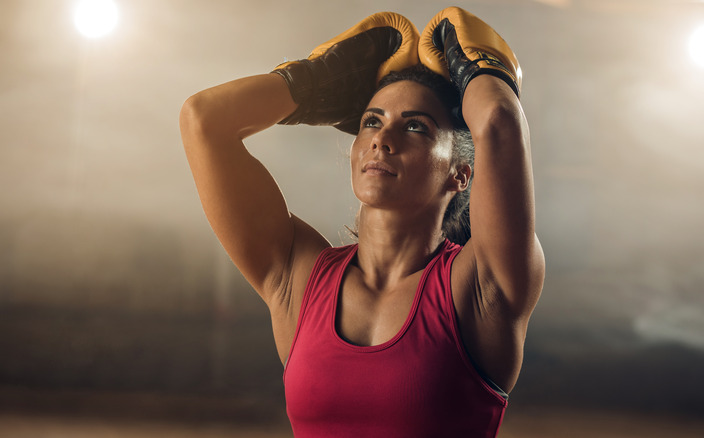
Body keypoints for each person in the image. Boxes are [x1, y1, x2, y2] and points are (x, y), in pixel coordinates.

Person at [179, 7, 544, 438]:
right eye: (372, 121)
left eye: (416, 127)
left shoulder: (482, 285)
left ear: (460, 173)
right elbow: (204, 120)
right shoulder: (300, 279)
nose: (382, 139)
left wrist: (485, 70)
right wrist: (310, 83)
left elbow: (499, 120)